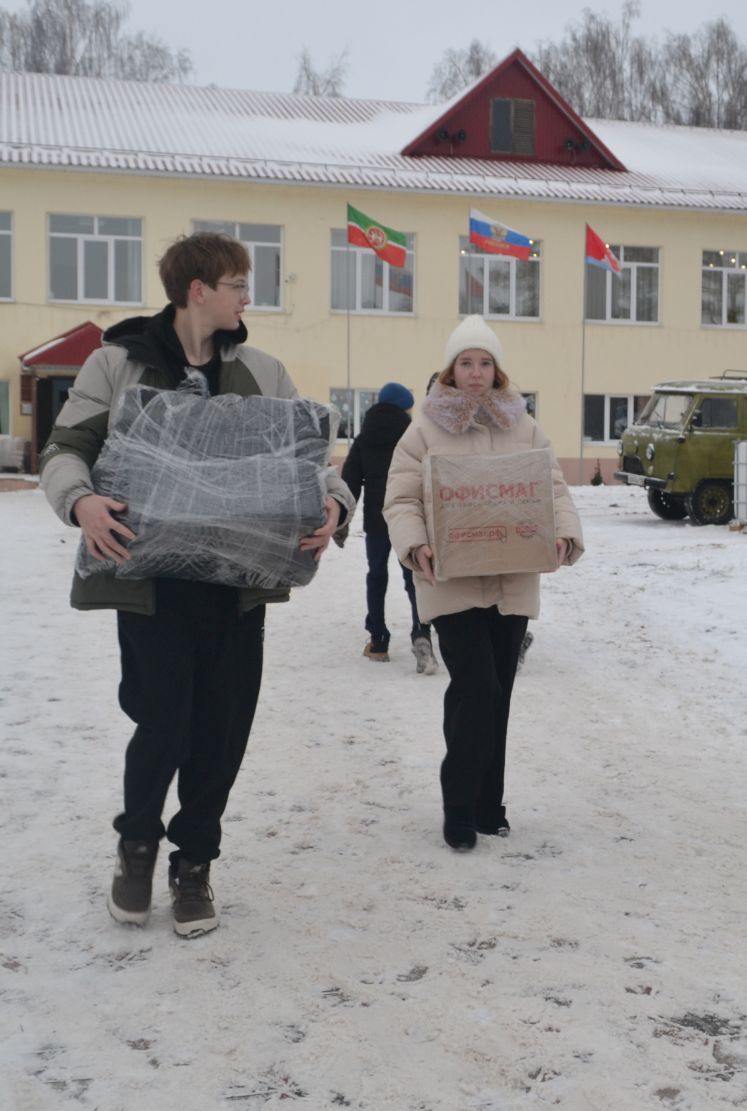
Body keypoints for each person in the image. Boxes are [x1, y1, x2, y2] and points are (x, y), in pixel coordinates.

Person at [39, 232, 352, 938]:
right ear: (197, 290)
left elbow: (313, 460)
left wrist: (334, 503)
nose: (249, 297)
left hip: (237, 587)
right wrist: (81, 502)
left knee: (221, 732)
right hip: (151, 583)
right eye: (238, 283)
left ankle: (195, 863)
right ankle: (138, 846)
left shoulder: (263, 371)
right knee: (163, 725)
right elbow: (65, 449)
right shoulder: (117, 364)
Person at [384, 316, 582, 851]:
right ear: (451, 370)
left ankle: (488, 805)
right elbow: (400, 500)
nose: (475, 373)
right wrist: (414, 544)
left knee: (499, 695)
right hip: (450, 581)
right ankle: (458, 805)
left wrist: (564, 534)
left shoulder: (525, 427)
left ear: (498, 371)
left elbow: (555, 490)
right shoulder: (425, 428)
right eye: (466, 363)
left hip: (511, 580)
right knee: (476, 689)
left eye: (485, 363)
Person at [341, 381, 435, 672]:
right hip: (408, 518)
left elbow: (350, 482)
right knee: (414, 578)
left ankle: (378, 640)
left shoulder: (364, 437)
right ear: (404, 407)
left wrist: (341, 519)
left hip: (376, 520)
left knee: (377, 575)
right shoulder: (413, 435)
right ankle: (422, 633)